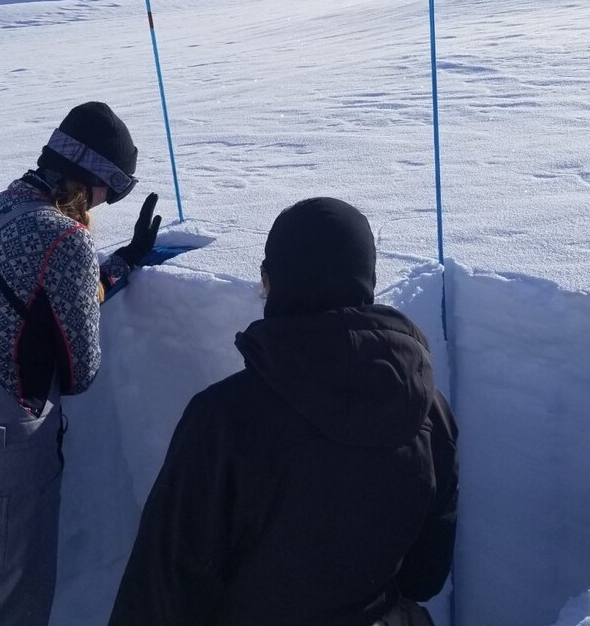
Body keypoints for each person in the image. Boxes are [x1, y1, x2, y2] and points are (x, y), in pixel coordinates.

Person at [108, 197, 458, 626]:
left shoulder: (222, 418)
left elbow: (161, 591)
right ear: (365, 282)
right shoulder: (428, 409)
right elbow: (426, 576)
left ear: (271, 282)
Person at [0, 101, 161, 626]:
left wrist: (119, 264)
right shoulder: (64, 237)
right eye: (112, 190)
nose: (106, 204)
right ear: (92, 181)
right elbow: (81, 372)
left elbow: (22, 299)